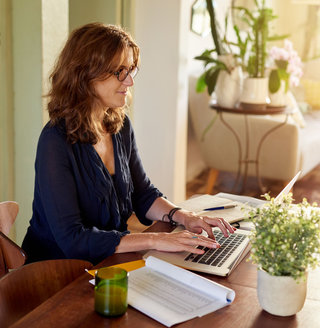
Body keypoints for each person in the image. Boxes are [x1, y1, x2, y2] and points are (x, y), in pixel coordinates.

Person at [22, 22, 234, 265]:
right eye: (119, 72)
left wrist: (183, 216)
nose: (129, 81)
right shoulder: (55, 142)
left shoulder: (119, 125)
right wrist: (154, 240)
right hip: (54, 273)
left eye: (131, 70)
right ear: (85, 74)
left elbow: (143, 194)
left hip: (105, 262)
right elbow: (73, 240)